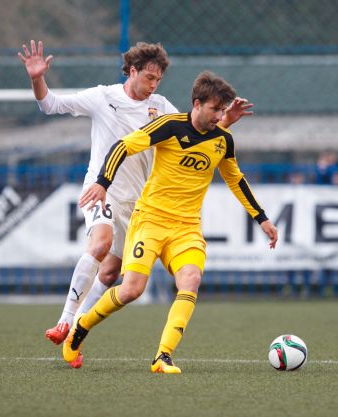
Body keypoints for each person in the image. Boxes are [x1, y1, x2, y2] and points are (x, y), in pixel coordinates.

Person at [18, 40, 253, 367]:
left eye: (158, 80)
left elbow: (196, 132)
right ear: (131, 71)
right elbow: (50, 105)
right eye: (149, 77)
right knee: (100, 243)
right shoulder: (103, 97)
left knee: (113, 272)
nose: (153, 85)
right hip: (102, 189)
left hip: (138, 201)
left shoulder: (161, 106)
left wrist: (224, 121)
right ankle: (65, 321)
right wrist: (36, 78)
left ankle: (78, 330)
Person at [64, 71, 278, 373]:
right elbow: (122, 146)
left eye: (222, 110)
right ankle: (80, 327)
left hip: (186, 228)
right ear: (197, 104)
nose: (220, 115)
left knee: (190, 280)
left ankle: (163, 356)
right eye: (215, 109)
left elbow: (236, 180)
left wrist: (262, 219)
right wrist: (102, 182)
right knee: (131, 291)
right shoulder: (169, 126)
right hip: (149, 220)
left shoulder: (222, 141)